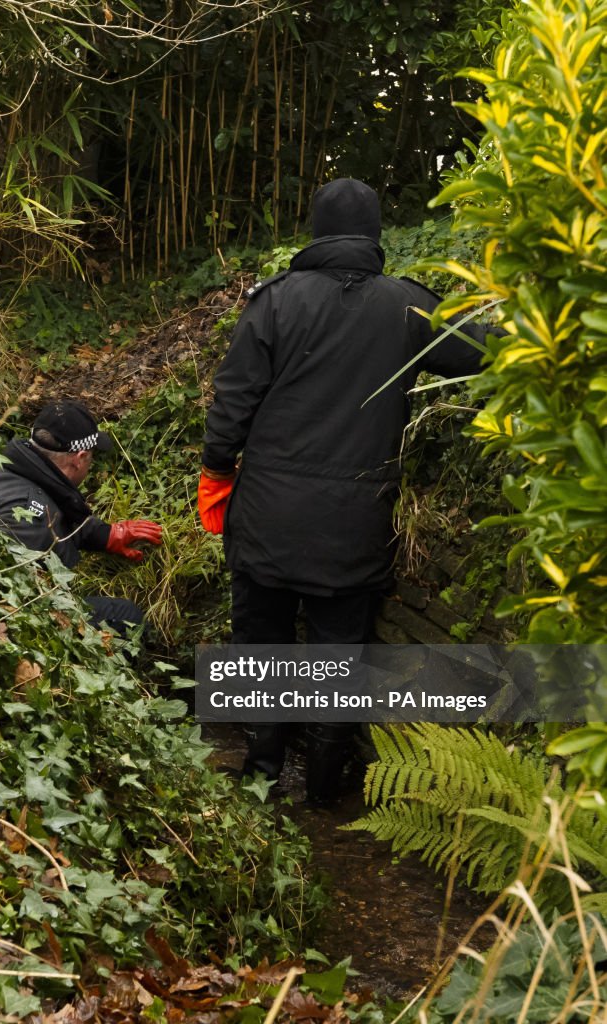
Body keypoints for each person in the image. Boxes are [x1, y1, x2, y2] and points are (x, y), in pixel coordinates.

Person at [198, 177, 501, 805]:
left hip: (268, 515)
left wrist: (217, 471)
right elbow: (482, 351)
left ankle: (260, 776)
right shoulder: (409, 307)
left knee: (264, 646)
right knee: (339, 654)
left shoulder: (275, 303)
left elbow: (233, 401)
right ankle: (326, 790)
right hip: (355, 521)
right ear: (375, 235)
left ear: (314, 231)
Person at [0, 400, 162, 632]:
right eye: (91, 457)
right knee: (127, 616)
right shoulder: (32, 517)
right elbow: (24, 605)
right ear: (80, 458)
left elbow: (56, 509)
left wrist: (106, 535)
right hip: (2, 617)